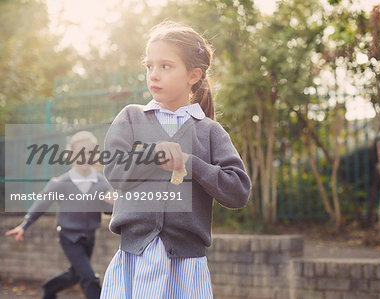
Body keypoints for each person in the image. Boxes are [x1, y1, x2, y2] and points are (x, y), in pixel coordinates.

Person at [100, 21, 252, 299]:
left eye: (165, 66)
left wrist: (190, 163)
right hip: (134, 258)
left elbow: (238, 191)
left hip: (186, 266)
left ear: (193, 75)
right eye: (149, 66)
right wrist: (153, 155)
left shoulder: (209, 131)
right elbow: (115, 172)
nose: (153, 75)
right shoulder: (131, 118)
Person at [5, 131, 114, 299]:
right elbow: (42, 203)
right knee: (89, 278)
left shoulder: (101, 183)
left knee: (76, 274)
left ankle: (49, 289)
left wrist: (112, 203)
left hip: (89, 236)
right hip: (68, 236)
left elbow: (107, 210)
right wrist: (24, 225)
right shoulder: (61, 183)